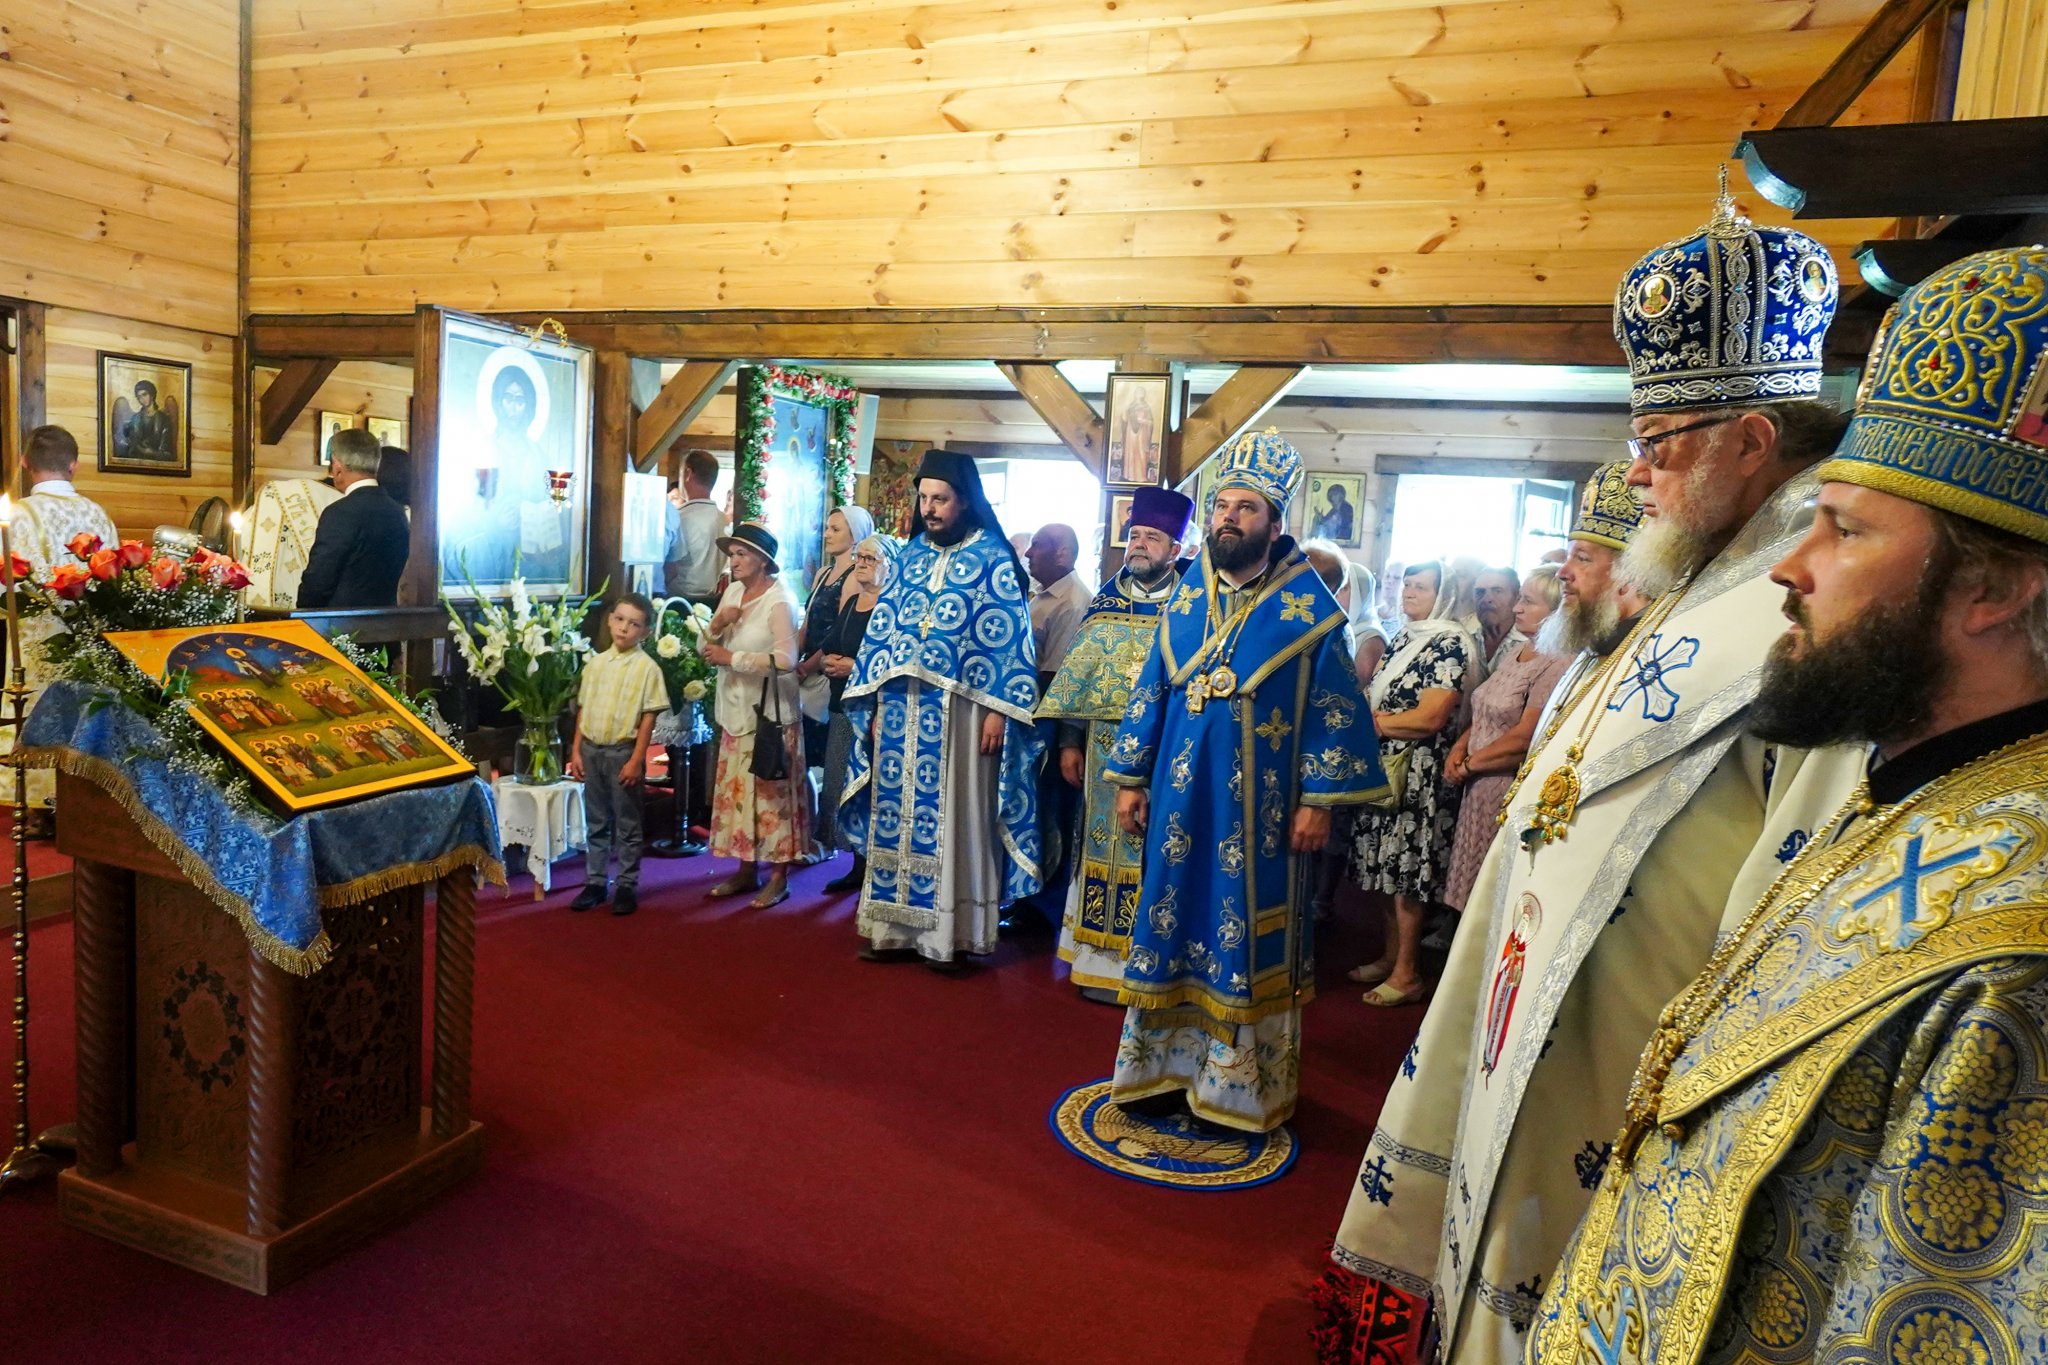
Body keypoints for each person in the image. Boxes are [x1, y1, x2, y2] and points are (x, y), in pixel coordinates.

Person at [1314, 187, 1867, 1365]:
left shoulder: (1821, 608)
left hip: (1628, 1063)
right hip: (1535, 1009)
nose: (1638, 472)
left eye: (1658, 444)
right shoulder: (1684, 578)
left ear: (1750, 441)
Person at [1533, 245, 2048, 1365]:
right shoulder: (1922, 799)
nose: (1789, 565)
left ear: (1996, 589)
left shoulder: (2016, 962)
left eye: (1847, 530)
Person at [1099, 429, 1387, 1131]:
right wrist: (1131, 776)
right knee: (1171, 917)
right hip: (1175, 802)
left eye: (1245, 508)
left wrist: (1319, 801)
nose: (1229, 517)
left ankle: (1236, 1091)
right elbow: (1152, 691)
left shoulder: (1311, 612)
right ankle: (1160, 1068)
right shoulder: (1186, 599)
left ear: (1275, 523)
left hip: (1257, 818)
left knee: (1239, 934)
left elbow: (1334, 712)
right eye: (1222, 506)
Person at [839, 451, 1043, 970]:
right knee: (896, 818)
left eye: (941, 499)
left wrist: (1001, 710)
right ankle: (892, 930)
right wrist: (878, 700)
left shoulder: (994, 558)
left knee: (955, 817)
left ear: (964, 501)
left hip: (965, 711)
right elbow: (885, 634)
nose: (930, 509)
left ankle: (949, 936)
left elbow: (1011, 643)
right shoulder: (909, 556)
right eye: (924, 498)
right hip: (902, 709)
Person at [1036, 487, 1192, 1002]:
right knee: (1102, 843)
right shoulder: (1106, 597)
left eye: (1153, 537)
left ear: (1175, 546)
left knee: (1157, 845)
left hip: (1170, 748)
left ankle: (1152, 962)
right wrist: (1069, 741)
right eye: (1135, 536)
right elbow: (1078, 676)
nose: (1140, 546)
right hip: (1104, 746)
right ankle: (1100, 961)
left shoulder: (1193, 602)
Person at [1347, 560, 1479, 1007]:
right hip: (1387, 766)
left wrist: (1378, 725)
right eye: (1406, 585)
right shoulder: (1407, 635)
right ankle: (1390, 958)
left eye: (1420, 587)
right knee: (1383, 869)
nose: (1408, 593)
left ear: (1443, 595)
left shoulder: (1450, 642)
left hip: (1420, 773)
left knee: (1407, 876)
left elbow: (1432, 716)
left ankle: (1408, 974)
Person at [5, 425, 119, 825]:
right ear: (75, 465)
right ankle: (82, 796)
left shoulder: (15, 517)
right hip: (87, 639)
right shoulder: (96, 514)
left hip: (33, 640)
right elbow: (114, 580)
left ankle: (38, 806)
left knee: (33, 711)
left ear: (24, 463)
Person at [1438, 565, 1567, 913]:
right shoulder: (1517, 652)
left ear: (1556, 611)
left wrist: (1467, 765)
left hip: (1503, 789)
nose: (1516, 608)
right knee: (1466, 890)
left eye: (1527, 601)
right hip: (1478, 786)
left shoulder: (1557, 664)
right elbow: (1484, 704)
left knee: (1487, 899)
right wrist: (1460, 747)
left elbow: (1525, 736)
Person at [700, 523, 808, 910]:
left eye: (742, 553)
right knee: (741, 797)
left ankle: (778, 877)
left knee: (770, 794)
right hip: (734, 711)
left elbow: (786, 660)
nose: (735, 560)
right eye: (732, 554)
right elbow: (705, 645)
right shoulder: (732, 591)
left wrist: (734, 659)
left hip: (770, 717)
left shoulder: (780, 601)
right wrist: (717, 625)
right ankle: (747, 869)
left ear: (763, 560)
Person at [566, 592, 668, 917]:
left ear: (646, 632)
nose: (624, 628)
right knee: (595, 819)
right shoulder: (595, 664)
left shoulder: (648, 669)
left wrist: (638, 758)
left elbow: (648, 716)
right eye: (620, 619)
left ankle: (626, 883)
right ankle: (595, 881)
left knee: (627, 821)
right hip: (591, 749)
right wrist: (576, 750)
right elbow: (583, 709)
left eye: (634, 624)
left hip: (623, 751)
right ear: (610, 620)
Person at [814, 535, 892, 895]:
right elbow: (832, 644)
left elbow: (893, 663)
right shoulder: (853, 602)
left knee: (869, 792)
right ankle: (856, 866)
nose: (861, 563)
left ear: (889, 566)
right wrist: (828, 662)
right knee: (840, 787)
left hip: (873, 715)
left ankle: (875, 869)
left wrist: (854, 668)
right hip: (842, 708)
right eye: (859, 557)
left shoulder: (892, 608)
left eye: (870, 559)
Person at [796, 503, 875, 842]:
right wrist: (791, 658)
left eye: (836, 529)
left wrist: (807, 666)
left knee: (825, 756)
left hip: (824, 670)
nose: (827, 534)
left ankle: (826, 834)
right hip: (808, 663)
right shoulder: (823, 573)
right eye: (827, 528)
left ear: (855, 535)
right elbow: (810, 618)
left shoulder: (853, 580)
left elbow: (837, 635)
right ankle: (810, 827)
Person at [298, 427, 410, 609]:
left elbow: (319, 580)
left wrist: (302, 610)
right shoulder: (397, 512)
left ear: (337, 467)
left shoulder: (340, 512)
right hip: (387, 624)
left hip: (342, 628)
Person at [1025, 523, 1090, 687]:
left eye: (1036, 545)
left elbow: (1053, 676)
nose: (1028, 553)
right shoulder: (1045, 592)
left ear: (1062, 554)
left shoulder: (1072, 604)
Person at [664, 448, 727, 606]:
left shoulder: (680, 517)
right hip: (713, 602)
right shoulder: (723, 519)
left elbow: (672, 569)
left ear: (688, 473)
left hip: (681, 602)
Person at [1471, 567, 1522, 674]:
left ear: (1516, 598)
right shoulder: (1464, 640)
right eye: (1480, 592)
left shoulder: (1527, 646)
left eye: (1497, 591)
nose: (1486, 599)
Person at [118, 380, 177, 461]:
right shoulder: (135, 419)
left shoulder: (163, 419)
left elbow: (168, 453)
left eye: (144, 394)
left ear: (152, 394)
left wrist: (152, 453)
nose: (142, 399)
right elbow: (129, 446)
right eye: (139, 397)